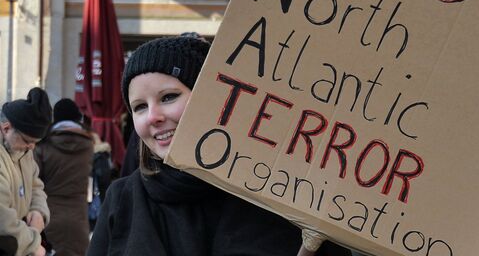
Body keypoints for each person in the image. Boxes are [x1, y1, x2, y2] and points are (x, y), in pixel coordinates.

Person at [88, 35, 341, 255]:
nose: (153, 116)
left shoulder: (278, 195)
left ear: (212, 97)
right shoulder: (122, 198)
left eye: (168, 97)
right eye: (140, 107)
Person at [34, 98, 94, 256]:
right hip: (79, 218)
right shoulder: (89, 144)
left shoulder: (44, 144)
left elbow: (34, 181)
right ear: (77, 117)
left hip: (48, 215)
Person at [0, 87, 52, 256]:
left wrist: (38, 212)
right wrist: (34, 244)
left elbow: (36, 186)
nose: (31, 147)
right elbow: (3, 220)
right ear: (6, 129)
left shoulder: (25, 151)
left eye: (35, 142)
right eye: (28, 141)